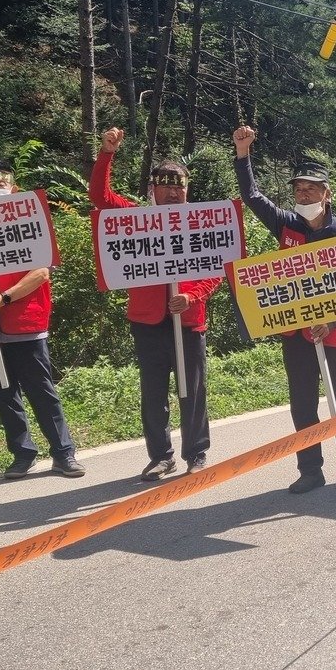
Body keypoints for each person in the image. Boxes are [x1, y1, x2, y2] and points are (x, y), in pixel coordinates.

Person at [233, 126, 336, 499]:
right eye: (298, 189)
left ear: (327, 194)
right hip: (296, 334)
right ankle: (310, 470)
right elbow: (252, 195)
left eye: (311, 188)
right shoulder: (286, 224)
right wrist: (243, 154)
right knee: (303, 405)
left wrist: (333, 321)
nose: (303, 194)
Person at [90, 128, 218, 480]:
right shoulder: (133, 218)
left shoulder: (200, 223)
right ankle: (161, 456)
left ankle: (197, 452)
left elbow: (218, 269)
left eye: (179, 185)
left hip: (189, 320)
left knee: (193, 390)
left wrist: (193, 295)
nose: (174, 191)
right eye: (166, 185)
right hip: (147, 321)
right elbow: (100, 197)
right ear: (153, 189)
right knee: (153, 393)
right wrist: (107, 153)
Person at [0, 158, 84, 479]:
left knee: (40, 389)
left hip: (25, 321)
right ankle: (22, 453)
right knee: (4, 392)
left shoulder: (32, 222)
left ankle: (63, 452)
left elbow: (41, 272)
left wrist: (4, 297)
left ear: (13, 190)